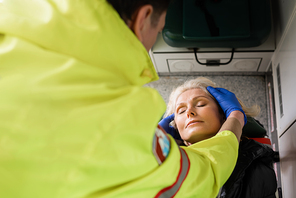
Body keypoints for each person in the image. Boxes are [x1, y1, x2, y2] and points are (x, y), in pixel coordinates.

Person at [0, 1, 245, 197]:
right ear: (143, 18)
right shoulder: (123, 118)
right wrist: (235, 119)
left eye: (201, 104)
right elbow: (201, 179)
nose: (189, 112)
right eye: (158, 29)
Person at [160, 77, 277, 198]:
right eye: (181, 111)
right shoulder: (165, 161)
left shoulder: (253, 165)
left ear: (224, 115)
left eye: (201, 104)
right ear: (176, 128)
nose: (189, 112)